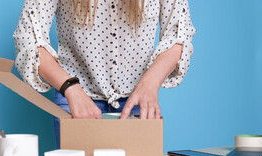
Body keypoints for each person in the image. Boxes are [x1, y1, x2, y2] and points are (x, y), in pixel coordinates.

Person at [13, 0, 196, 147]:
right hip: (76, 102)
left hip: (137, 103)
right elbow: (28, 37)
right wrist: (71, 88)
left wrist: (150, 83)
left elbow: (179, 34)